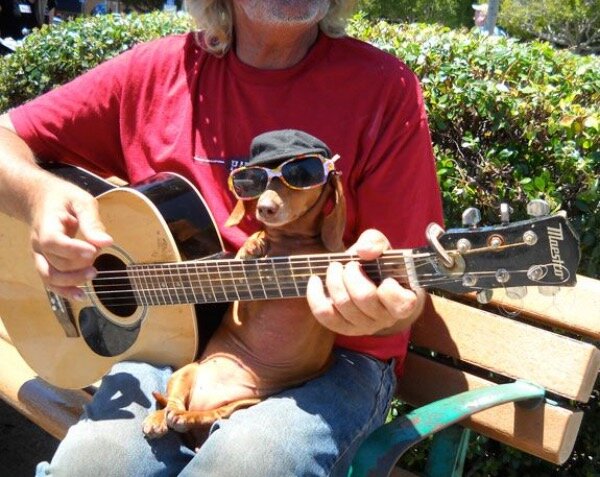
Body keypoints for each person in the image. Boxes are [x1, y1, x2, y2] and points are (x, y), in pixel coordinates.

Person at [0, 1, 444, 475]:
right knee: (95, 464)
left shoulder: (382, 89)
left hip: (332, 362)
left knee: (246, 462)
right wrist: (38, 196)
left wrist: (388, 309)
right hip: (169, 344)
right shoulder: (155, 73)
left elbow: (407, 282)